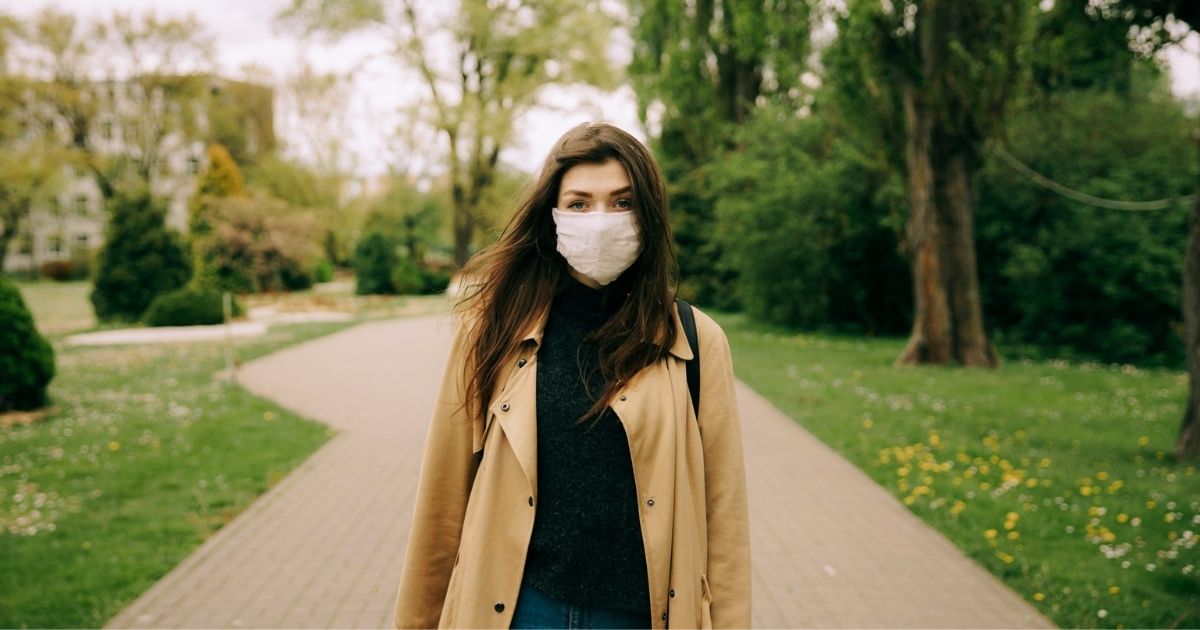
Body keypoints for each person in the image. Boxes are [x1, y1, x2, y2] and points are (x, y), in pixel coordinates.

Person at [391, 121, 751, 629]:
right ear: (553, 215)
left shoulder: (695, 340)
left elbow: (725, 519)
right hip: (519, 611)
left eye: (622, 202)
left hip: (640, 616)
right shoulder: (490, 331)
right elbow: (442, 500)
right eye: (580, 203)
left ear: (648, 216)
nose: (600, 220)